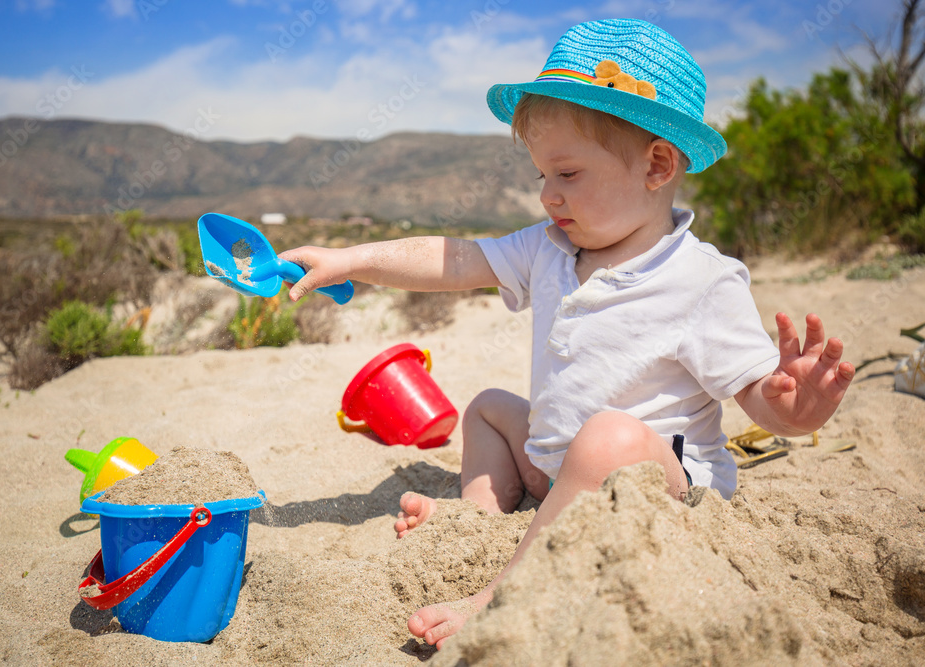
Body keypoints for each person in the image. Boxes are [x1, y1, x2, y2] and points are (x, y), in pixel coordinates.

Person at [279, 18, 855, 649]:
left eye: (569, 175)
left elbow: (755, 396)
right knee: (491, 409)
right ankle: (482, 523)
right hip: (557, 471)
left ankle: (504, 588)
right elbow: (457, 259)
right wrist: (353, 262)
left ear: (657, 165)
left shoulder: (702, 280)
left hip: (659, 488)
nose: (549, 197)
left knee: (607, 435)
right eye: (541, 178)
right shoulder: (549, 249)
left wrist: (794, 410)